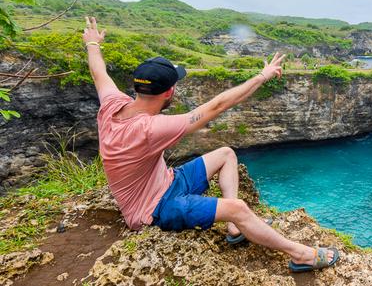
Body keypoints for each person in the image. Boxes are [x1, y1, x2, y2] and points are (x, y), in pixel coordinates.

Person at [83, 16, 339, 272]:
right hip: (154, 209)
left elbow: (99, 73)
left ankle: (234, 227)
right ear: (169, 92)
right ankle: (300, 254)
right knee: (237, 208)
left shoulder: (112, 104)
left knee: (226, 154)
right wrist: (262, 75)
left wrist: (93, 43)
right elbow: (218, 105)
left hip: (168, 181)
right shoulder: (151, 128)